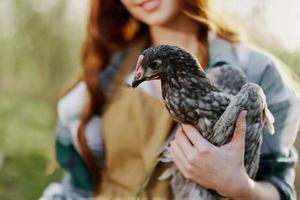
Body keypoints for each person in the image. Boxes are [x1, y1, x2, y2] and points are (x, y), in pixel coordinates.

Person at [40, 0, 300, 199]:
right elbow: (78, 186)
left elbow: (280, 189)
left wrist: (239, 186)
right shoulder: (104, 74)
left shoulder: (257, 73)